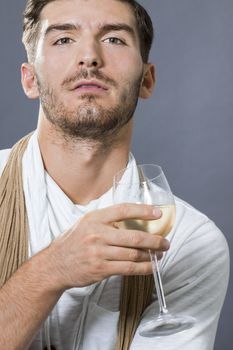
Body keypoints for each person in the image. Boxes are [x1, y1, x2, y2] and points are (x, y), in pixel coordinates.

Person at [0, 0, 229, 349]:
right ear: (30, 79)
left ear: (147, 80)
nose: (90, 56)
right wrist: (52, 270)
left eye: (114, 39)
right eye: (64, 39)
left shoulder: (188, 242)